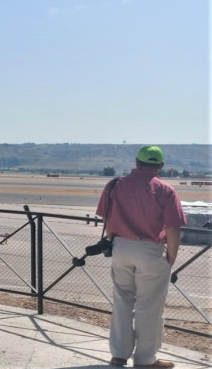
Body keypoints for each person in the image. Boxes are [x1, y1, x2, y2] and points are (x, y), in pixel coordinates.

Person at [96, 146, 186, 368]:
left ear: (137, 162)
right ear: (161, 166)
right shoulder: (165, 190)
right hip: (150, 249)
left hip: (120, 247)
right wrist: (171, 258)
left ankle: (119, 354)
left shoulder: (115, 185)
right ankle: (146, 359)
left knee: (122, 301)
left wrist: (114, 242)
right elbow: (173, 229)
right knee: (150, 306)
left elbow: (107, 220)